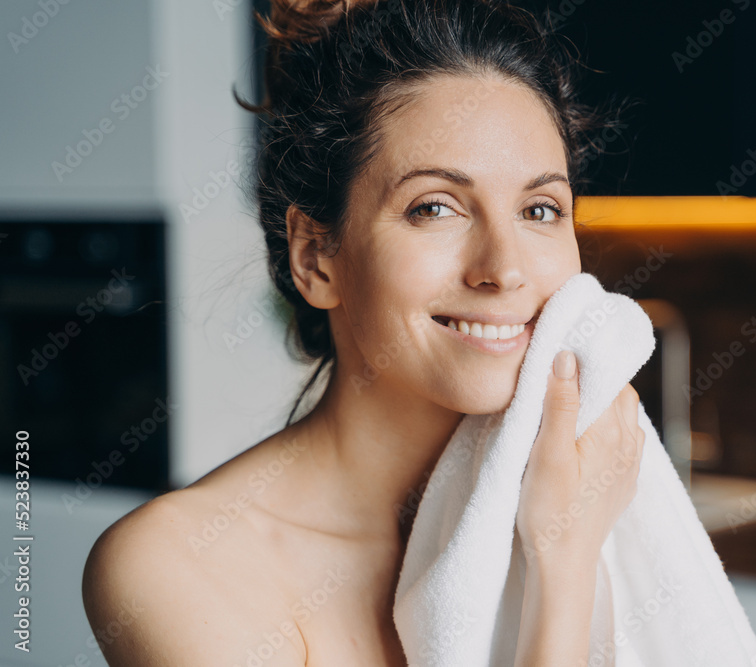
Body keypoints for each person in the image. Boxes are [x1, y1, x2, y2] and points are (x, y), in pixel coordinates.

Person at [82, 0, 643, 664]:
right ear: (316, 257)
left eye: (540, 208)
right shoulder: (177, 567)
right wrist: (563, 565)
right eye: (434, 206)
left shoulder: (595, 484)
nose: (505, 267)